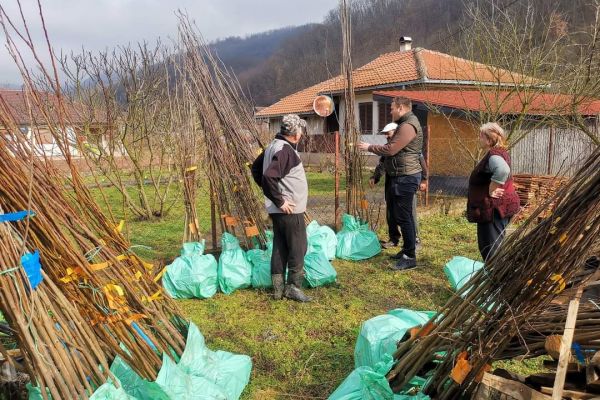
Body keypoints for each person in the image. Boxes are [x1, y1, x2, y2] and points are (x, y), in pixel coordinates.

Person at [251, 114, 311, 302]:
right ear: (295, 134)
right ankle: (292, 287)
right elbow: (269, 177)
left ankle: (277, 288)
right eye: (300, 130)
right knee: (298, 247)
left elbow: (255, 169)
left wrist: (272, 195)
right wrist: (281, 200)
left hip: (278, 210)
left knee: (280, 246)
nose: (301, 133)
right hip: (289, 209)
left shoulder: (272, 146)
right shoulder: (285, 150)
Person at [358, 97, 423, 270]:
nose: (390, 111)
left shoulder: (408, 125)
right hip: (400, 176)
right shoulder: (405, 123)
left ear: (401, 108)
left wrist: (369, 147)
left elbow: (391, 149)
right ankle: (406, 249)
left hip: (406, 177)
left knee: (405, 217)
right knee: (400, 215)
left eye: (392, 108)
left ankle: (410, 257)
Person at [467, 122, 520, 261]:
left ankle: (497, 279)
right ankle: (498, 276)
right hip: (500, 206)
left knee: (491, 249)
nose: (479, 138)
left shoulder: (494, 155)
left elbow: (502, 170)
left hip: (493, 209)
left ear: (489, 140)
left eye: (481, 136)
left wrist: (492, 188)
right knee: (495, 245)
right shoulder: (501, 152)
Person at [371, 144, 428, 250]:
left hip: (406, 185)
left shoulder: (411, 147)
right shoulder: (388, 148)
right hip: (391, 185)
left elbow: (422, 163)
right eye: (385, 133)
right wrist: (375, 177)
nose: (386, 136)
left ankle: (415, 240)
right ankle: (393, 239)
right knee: (391, 213)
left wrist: (424, 179)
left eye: (389, 133)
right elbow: (382, 164)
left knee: (410, 213)